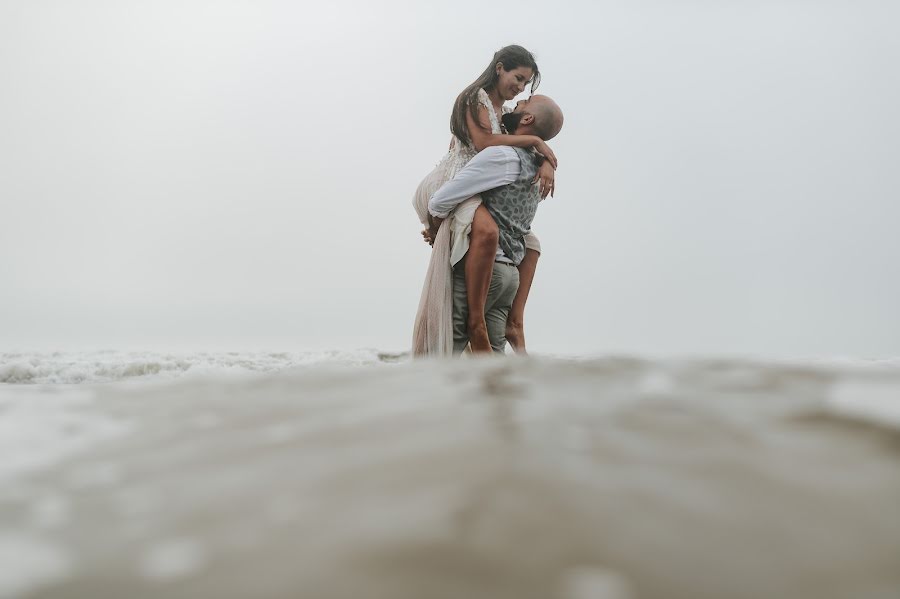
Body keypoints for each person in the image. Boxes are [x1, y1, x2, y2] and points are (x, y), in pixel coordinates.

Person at [411, 45, 558, 357]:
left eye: (525, 85)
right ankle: (440, 233)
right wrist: (535, 140)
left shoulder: (505, 115)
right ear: (500, 67)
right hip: (451, 178)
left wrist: (545, 159)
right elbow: (483, 143)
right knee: (489, 231)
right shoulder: (474, 96)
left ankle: (514, 322)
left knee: (530, 242)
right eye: (518, 79)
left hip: (476, 185)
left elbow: (520, 137)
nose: (519, 88)